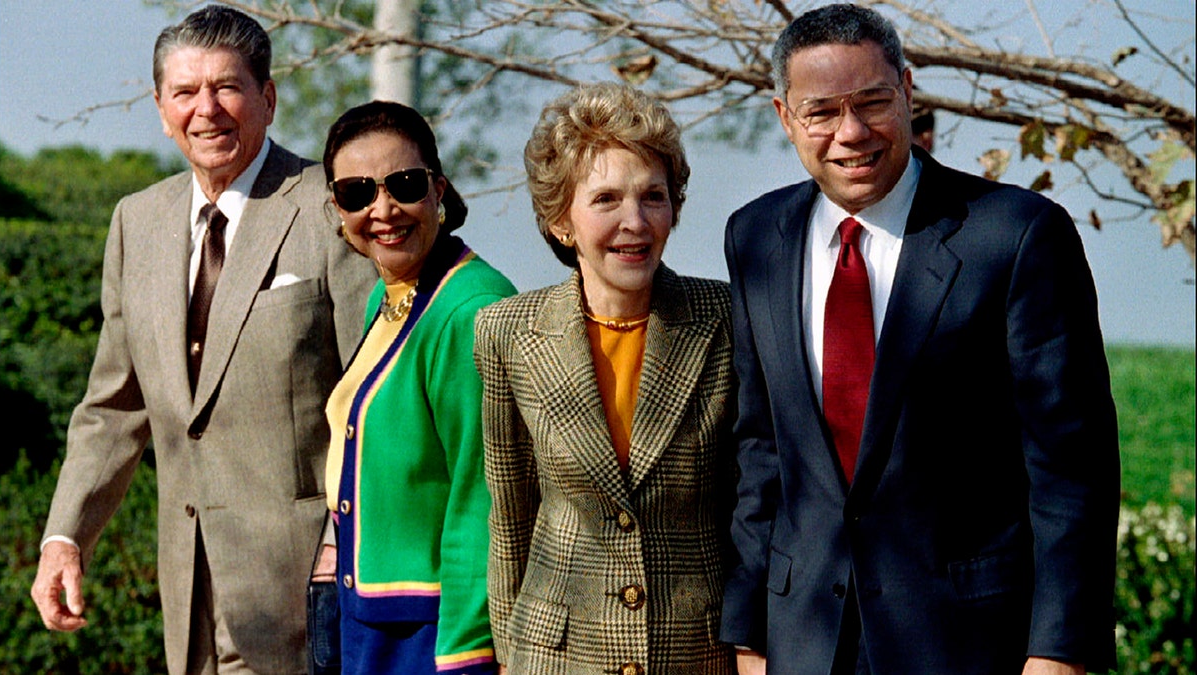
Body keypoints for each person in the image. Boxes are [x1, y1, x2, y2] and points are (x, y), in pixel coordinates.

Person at [719, 5, 1120, 675]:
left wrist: (1058, 653)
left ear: (908, 91)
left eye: (873, 102)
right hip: (803, 639)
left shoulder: (1016, 235)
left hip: (967, 642)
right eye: (821, 112)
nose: (851, 132)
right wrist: (749, 633)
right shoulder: (756, 237)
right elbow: (761, 447)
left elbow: (1071, 469)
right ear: (786, 117)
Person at [29, 5, 375, 674]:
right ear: (161, 109)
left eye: (227, 87)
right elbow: (112, 407)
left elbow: (377, 397)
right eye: (185, 92)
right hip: (187, 592)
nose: (206, 110)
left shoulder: (329, 207)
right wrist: (65, 535)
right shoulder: (137, 222)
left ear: (267, 98)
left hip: (310, 593)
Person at [475, 82, 738, 675]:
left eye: (653, 196)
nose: (635, 221)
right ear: (560, 220)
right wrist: (513, 658)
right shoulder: (505, 333)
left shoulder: (726, 320)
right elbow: (511, 519)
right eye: (606, 200)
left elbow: (752, 507)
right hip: (556, 657)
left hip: (696, 653)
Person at [321, 99, 516, 675]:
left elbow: (482, 498)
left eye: (402, 184)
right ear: (338, 208)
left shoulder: (469, 308)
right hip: (372, 619)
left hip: (431, 632)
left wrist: (466, 651)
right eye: (357, 193)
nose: (382, 209)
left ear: (438, 189)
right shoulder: (392, 293)